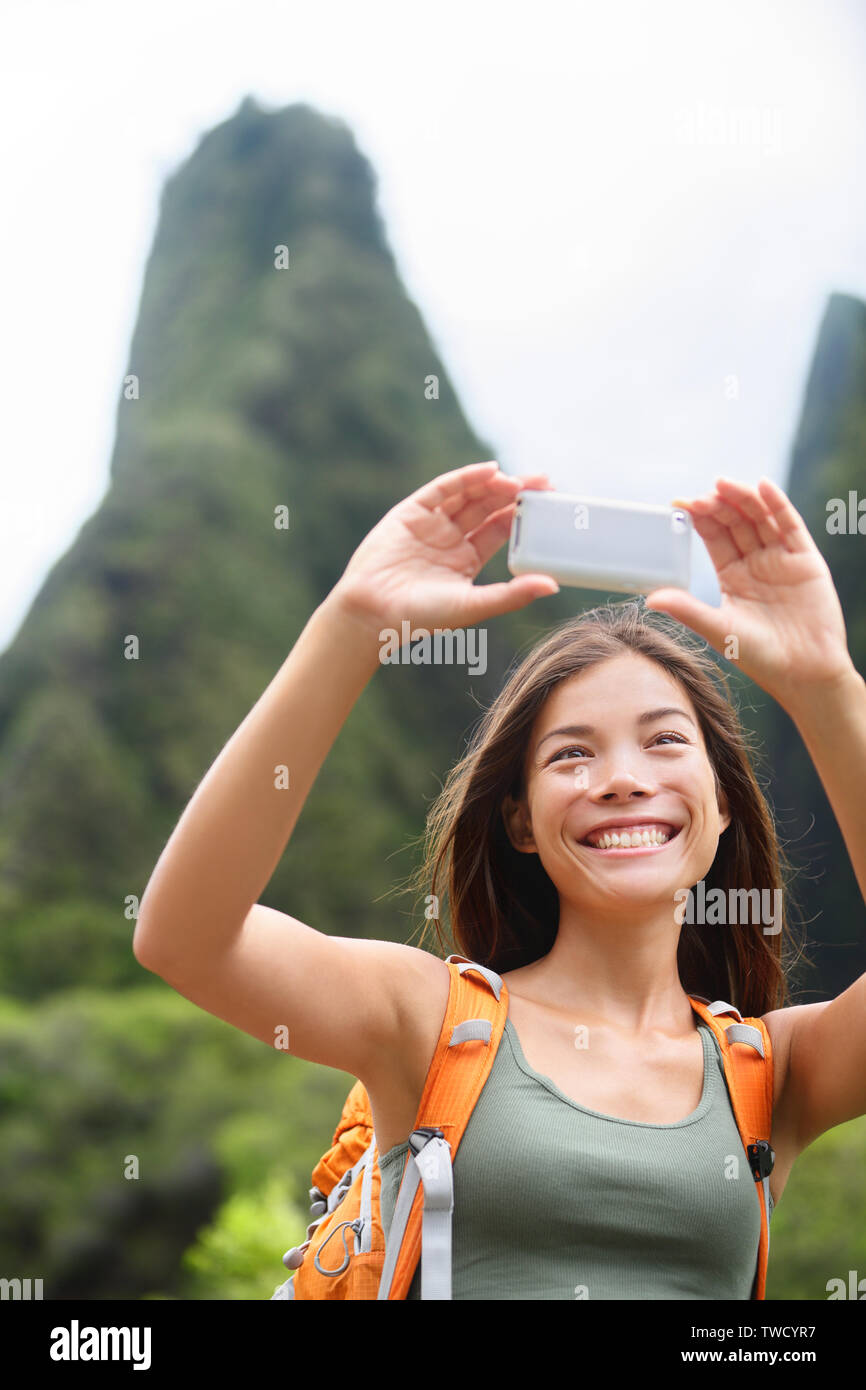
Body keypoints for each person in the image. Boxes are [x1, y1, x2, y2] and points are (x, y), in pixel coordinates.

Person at [133, 460, 866, 1299]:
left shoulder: (776, 1073)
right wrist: (353, 623)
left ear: (726, 804)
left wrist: (824, 686)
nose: (622, 778)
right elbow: (185, 938)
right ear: (520, 819)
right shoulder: (430, 1021)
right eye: (572, 754)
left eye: (664, 741)